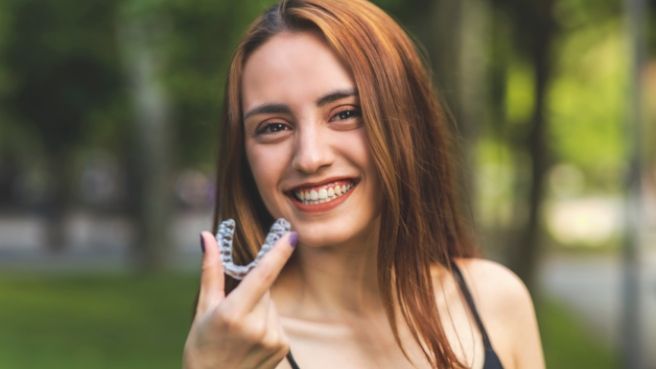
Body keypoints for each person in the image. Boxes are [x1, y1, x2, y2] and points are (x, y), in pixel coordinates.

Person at [183, 0, 545, 368]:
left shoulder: (495, 301)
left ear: (407, 124)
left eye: (345, 114)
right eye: (274, 127)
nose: (309, 157)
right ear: (243, 156)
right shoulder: (244, 346)